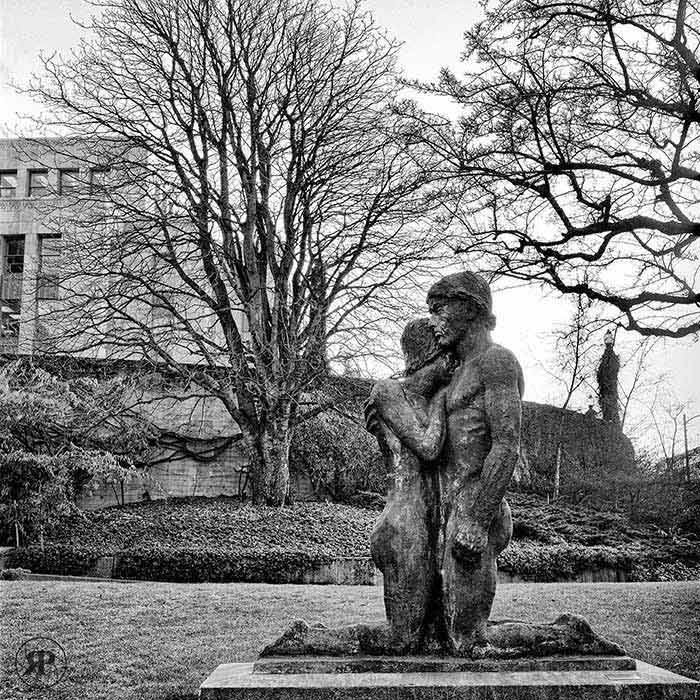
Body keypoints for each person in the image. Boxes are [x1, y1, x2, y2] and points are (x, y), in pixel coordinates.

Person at [367, 271, 523, 655]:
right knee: (437, 635)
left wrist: (476, 519)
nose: (433, 322)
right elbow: (423, 444)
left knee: (467, 641)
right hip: (442, 516)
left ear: (469, 309)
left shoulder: (497, 362)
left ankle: (570, 635)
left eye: (439, 310)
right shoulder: (454, 373)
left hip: (473, 510)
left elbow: (506, 446)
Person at [366, 318, 452, 652]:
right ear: (434, 356)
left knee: (436, 636)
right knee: (401, 639)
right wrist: (444, 402)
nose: (456, 365)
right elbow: (428, 448)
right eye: (450, 356)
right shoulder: (388, 391)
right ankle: (306, 639)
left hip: (430, 530)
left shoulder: (433, 402)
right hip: (403, 528)